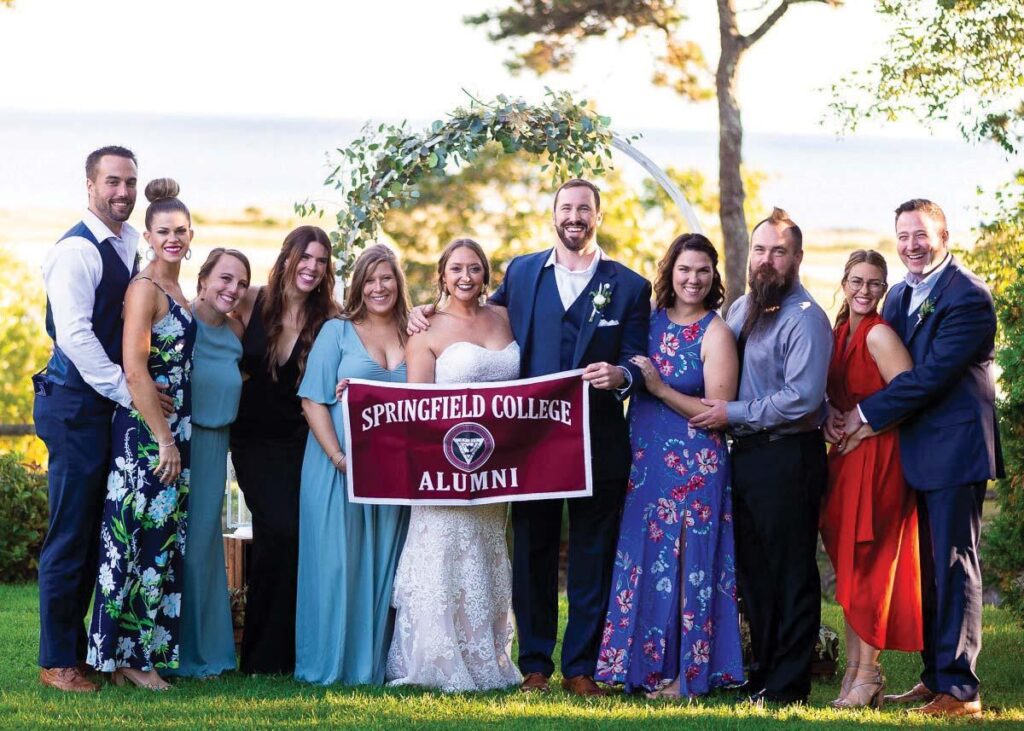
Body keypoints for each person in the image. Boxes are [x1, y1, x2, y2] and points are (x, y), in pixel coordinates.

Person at [835, 200, 1002, 719]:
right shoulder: (904, 293)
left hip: (955, 451)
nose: (911, 245)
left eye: (921, 235)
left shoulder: (968, 297)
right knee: (929, 570)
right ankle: (934, 679)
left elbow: (927, 377)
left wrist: (861, 414)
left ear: (944, 235)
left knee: (954, 566)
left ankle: (961, 691)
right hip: (913, 452)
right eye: (903, 236)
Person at [34, 146, 170, 692]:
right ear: (89, 185)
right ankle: (56, 662)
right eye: (112, 181)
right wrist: (128, 393)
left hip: (103, 409)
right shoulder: (76, 252)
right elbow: (75, 337)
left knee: (96, 531)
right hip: (72, 406)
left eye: (131, 183)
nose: (123, 192)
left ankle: (80, 651)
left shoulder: (130, 242)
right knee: (69, 535)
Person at [690, 207, 832, 705]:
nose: (767, 259)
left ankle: (790, 684)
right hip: (747, 457)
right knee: (756, 572)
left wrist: (732, 411)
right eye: (759, 249)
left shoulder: (805, 319)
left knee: (791, 570)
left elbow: (802, 398)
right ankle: (764, 670)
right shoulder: (744, 308)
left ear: (796, 257)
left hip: (789, 456)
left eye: (778, 251)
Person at [595, 233, 745, 698]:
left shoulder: (715, 333)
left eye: (702, 270)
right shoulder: (650, 323)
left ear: (713, 276)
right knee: (644, 563)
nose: (693, 279)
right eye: (684, 269)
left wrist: (659, 388)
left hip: (695, 468)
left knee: (688, 570)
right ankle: (639, 669)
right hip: (645, 467)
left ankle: (688, 675)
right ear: (670, 272)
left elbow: (717, 410)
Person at [385, 238, 522, 692]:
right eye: (457, 269)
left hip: (494, 467)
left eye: (475, 269)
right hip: (444, 469)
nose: (466, 277)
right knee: (445, 556)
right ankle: (437, 659)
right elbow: (417, 407)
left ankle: (487, 655)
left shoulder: (505, 317)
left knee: (484, 556)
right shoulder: (424, 329)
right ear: (442, 274)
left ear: (486, 275)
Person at [86, 178, 197, 690]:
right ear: (148, 237)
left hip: (178, 430)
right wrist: (165, 439)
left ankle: (137, 654)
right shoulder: (144, 289)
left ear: (191, 235)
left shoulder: (178, 290)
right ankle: (126, 658)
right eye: (163, 231)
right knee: (133, 542)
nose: (172, 238)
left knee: (159, 543)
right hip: (147, 437)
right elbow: (134, 369)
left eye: (180, 231)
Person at [295, 244, 410, 685]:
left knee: (384, 563)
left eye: (387, 278)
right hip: (336, 470)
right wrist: (340, 458)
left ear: (399, 283)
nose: (379, 287)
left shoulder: (413, 333)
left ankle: (373, 665)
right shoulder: (337, 332)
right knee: (338, 566)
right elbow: (312, 400)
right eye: (370, 279)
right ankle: (329, 664)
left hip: (392, 476)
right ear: (358, 285)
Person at [230, 226, 339, 674]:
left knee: (294, 538)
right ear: (288, 257)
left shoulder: (329, 317)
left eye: (321, 260)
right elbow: (210, 331)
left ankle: (288, 653)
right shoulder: (251, 300)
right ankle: (261, 653)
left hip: (302, 442)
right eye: (305, 257)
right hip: (252, 441)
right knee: (281, 530)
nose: (312, 267)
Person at [819, 250, 922, 709]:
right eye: (857, 281)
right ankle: (856, 675)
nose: (865, 290)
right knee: (851, 570)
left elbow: (909, 393)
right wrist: (830, 418)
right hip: (845, 460)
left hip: (878, 459)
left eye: (875, 283)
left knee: (871, 569)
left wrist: (863, 426)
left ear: (884, 288)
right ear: (844, 284)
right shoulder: (840, 332)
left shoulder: (879, 334)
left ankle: (869, 674)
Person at [165, 248, 251, 679]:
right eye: (224, 279)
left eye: (240, 283)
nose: (231, 289)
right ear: (203, 280)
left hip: (217, 447)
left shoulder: (237, 333)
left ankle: (205, 650)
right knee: (171, 543)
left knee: (202, 546)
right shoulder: (180, 322)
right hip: (177, 444)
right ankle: (169, 650)